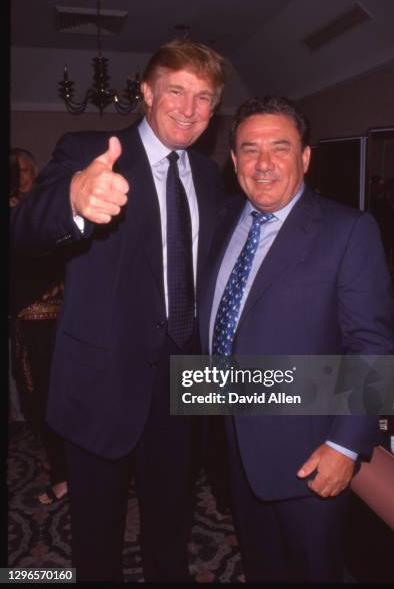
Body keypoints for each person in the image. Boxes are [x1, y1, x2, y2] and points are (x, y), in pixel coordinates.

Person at [10, 39, 226, 582]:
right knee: (96, 535)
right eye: (175, 90)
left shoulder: (211, 177)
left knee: (172, 525)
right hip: (101, 385)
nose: (188, 107)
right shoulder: (88, 149)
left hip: (185, 385)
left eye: (203, 97)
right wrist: (75, 201)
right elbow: (25, 227)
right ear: (147, 92)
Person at [199, 96, 394, 582]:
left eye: (280, 148)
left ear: (305, 157)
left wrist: (346, 446)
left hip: (310, 454)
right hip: (232, 443)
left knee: (313, 571)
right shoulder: (220, 221)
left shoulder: (348, 230)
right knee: (262, 566)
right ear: (234, 160)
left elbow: (372, 345)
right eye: (249, 149)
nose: (263, 163)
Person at [9, 149, 68, 505]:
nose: (25, 175)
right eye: (18, 170)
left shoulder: (48, 208)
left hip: (63, 322)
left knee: (65, 399)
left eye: (29, 169)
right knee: (38, 400)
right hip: (29, 327)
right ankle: (62, 471)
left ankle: (70, 472)